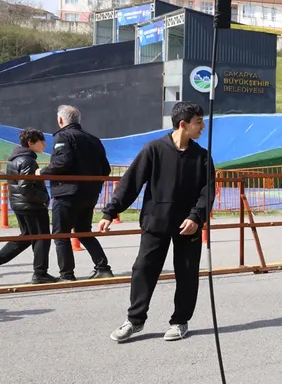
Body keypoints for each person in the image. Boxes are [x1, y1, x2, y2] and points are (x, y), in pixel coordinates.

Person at [103, 102, 213, 343]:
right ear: (183, 124)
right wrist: (110, 212)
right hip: (156, 222)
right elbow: (131, 182)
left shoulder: (202, 156)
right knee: (143, 269)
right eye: (198, 122)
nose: (202, 126)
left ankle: (180, 321)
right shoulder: (153, 149)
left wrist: (196, 216)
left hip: (188, 226)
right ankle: (135, 320)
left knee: (186, 273)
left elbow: (208, 191)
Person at [37, 105, 113, 281]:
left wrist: (42, 172)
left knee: (60, 234)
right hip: (90, 194)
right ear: (79, 120)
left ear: (60, 120)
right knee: (83, 231)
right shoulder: (94, 139)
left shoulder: (63, 136)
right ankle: (103, 267)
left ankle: (67, 274)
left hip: (67, 192)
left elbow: (62, 162)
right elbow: (106, 168)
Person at [0, 129, 57, 284]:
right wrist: (44, 197)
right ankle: (40, 274)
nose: (44, 144)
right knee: (42, 238)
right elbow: (26, 186)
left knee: (26, 237)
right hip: (31, 205)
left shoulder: (15, 158)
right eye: (41, 141)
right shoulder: (27, 160)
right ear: (31, 143)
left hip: (20, 204)